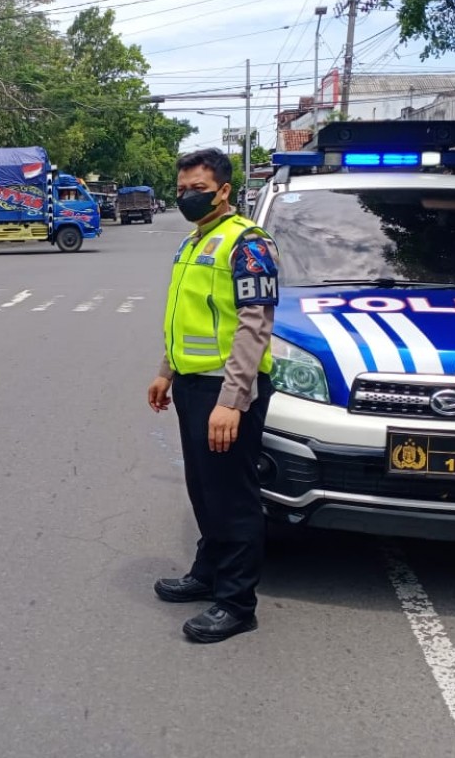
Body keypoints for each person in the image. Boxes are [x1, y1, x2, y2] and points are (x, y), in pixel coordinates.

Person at [147, 147, 278, 644]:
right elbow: (186, 318)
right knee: (204, 487)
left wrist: (232, 400)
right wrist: (166, 371)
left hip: (228, 389)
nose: (187, 197)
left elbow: (253, 327)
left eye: (197, 189)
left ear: (224, 190)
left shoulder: (249, 244)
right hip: (193, 384)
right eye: (182, 189)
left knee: (233, 495)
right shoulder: (194, 242)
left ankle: (237, 603)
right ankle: (207, 573)